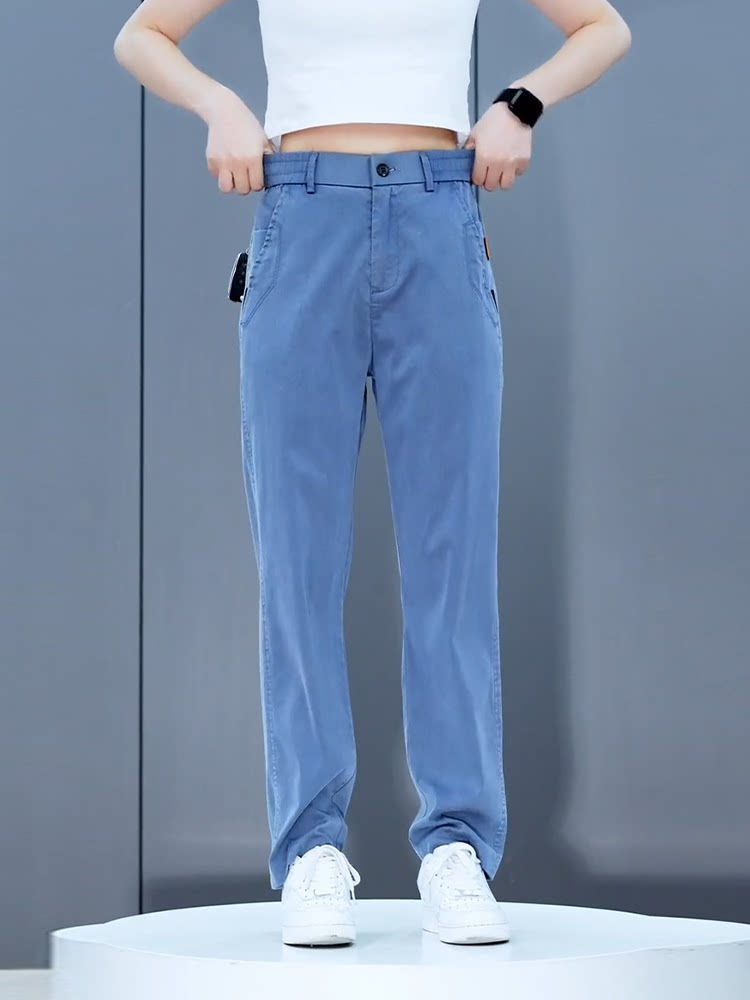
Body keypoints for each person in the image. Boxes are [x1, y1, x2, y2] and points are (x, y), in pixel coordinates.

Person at [114, 0, 631, 948]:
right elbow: (140, 35)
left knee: (452, 556)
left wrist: (520, 103)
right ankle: (311, 849)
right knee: (297, 559)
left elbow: (603, 26)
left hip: (439, 210)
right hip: (301, 209)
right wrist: (221, 105)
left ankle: (458, 846)